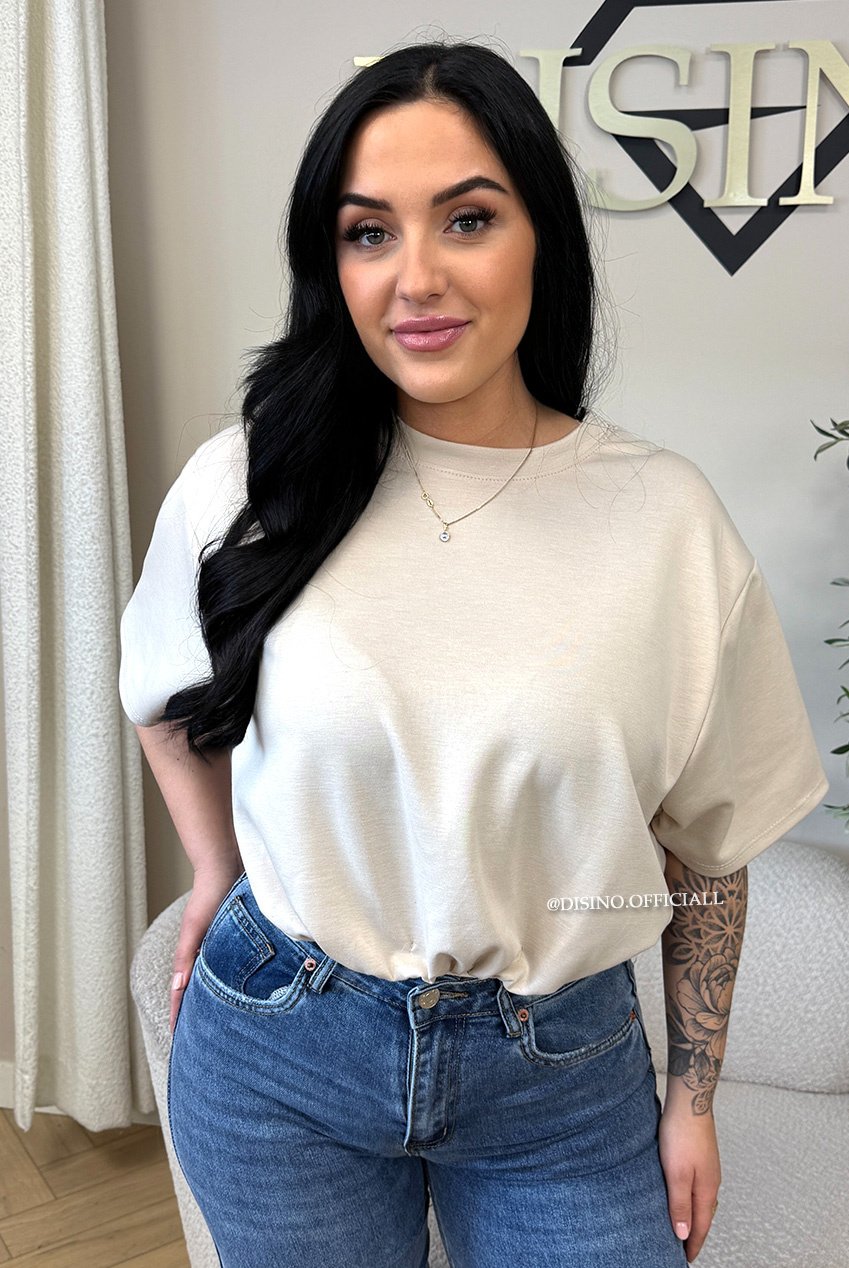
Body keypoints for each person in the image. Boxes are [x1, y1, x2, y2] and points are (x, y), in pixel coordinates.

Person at [118, 39, 829, 1268]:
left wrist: (693, 1093)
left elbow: (712, 847)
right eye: (369, 232)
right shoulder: (250, 478)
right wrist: (216, 867)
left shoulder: (665, 521)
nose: (417, 277)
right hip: (281, 1049)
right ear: (330, 262)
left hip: (560, 1079)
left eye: (468, 218)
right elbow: (162, 692)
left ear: (541, 233)